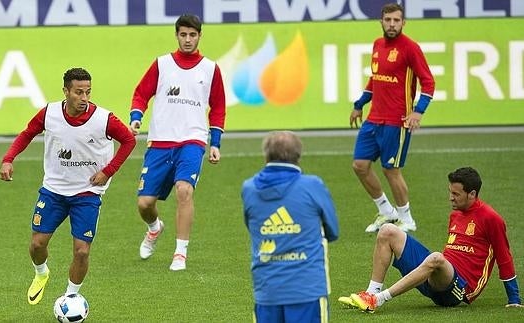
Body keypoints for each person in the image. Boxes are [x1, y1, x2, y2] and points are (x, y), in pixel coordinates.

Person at [0, 67, 136, 305]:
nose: (84, 98)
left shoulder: (104, 119)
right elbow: (27, 133)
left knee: (82, 251)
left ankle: (71, 296)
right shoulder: (49, 113)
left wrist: (107, 171)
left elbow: (129, 140)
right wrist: (8, 159)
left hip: (87, 193)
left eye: (88, 92)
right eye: (78, 92)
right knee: (36, 244)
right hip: (54, 190)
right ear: (66, 91)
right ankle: (42, 273)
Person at [338, 167, 522, 313]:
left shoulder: (491, 218)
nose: (451, 197)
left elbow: (504, 257)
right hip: (438, 277)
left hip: (460, 289)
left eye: (456, 194)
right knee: (387, 230)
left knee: (436, 258)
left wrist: (514, 299)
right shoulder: (455, 215)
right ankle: (371, 293)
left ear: (472, 194)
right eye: (450, 192)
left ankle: (378, 300)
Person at [129, 13, 226, 271]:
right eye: (183, 34)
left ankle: (180, 254)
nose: (187, 39)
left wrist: (215, 142)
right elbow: (141, 93)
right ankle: (154, 228)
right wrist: (136, 117)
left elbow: (218, 107)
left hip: (192, 141)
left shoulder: (210, 69)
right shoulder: (162, 64)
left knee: (184, 190)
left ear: (199, 36)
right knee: (145, 203)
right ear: (177, 35)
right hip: (160, 141)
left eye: (192, 35)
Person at [349, 2, 435, 233]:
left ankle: (406, 219)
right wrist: (359, 105)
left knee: (391, 170)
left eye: (396, 20)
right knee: (359, 165)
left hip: (398, 121)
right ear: (381, 21)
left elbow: (428, 82)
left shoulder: (410, 48)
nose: (392, 24)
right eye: (388, 20)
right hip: (374, 119)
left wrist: (418, 111)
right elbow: (375, 79)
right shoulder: (377, 45)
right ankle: (387, 212)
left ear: (403, 23)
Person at [241, 131, 340, 323]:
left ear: (266, 155)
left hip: (267, 290)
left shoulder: (249, 189)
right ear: (298, 156)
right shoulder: (312, 186)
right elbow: (333, 232)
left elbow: (251, 226)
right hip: (307, 290)